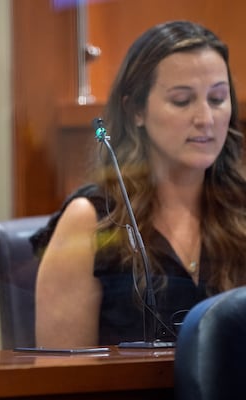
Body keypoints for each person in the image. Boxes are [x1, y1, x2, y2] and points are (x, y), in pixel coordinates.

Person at [32, 20, 246, 347]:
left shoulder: (240, 206)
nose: (205, 118)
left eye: (217, 99)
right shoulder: (90, 221)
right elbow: (62, 381)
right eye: (182, 100)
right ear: (135, 110)